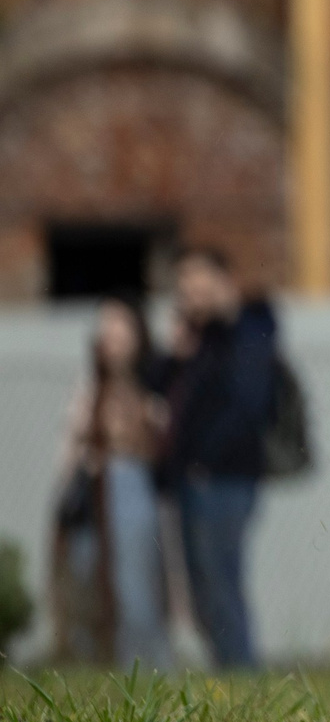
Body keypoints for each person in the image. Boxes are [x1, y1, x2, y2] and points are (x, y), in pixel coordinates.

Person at [158, 245, 284, 669]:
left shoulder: (247, 329)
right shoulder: (198, 340)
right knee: (200, 585)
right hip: (194, 478)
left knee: (220, 580)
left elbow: (248, 404)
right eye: (184, 289)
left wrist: (206, 459)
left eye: (198, 286)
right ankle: (226, 672)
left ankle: (241, 675)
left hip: (225, 477)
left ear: (222, 283)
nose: (190, 297)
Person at [48, 296, 173, 669]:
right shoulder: (89, 389)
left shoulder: (152, 387)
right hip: (90, 493)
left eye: (120, 329)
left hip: (131, 489)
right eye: (106, 330)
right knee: (84, 578)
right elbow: (70, 449)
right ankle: (92, 670)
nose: (111, 338)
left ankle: (144, 670)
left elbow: (158, 444)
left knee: (135, 587)